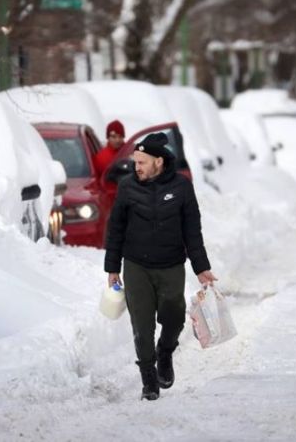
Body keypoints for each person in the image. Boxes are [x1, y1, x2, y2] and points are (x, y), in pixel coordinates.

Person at [104, 132, 216, 401]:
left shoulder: (181, 186)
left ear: (158, 161)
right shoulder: (128, 187)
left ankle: (165, 352)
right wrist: (112, 267)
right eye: (135, 162)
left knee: (174, 316)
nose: (137, 167)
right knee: (142, 326)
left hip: (170, 265)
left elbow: (192, 230)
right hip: (136, 265)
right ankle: (148, 380)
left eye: (142, 162)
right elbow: (115, 228)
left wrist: (201, 266)